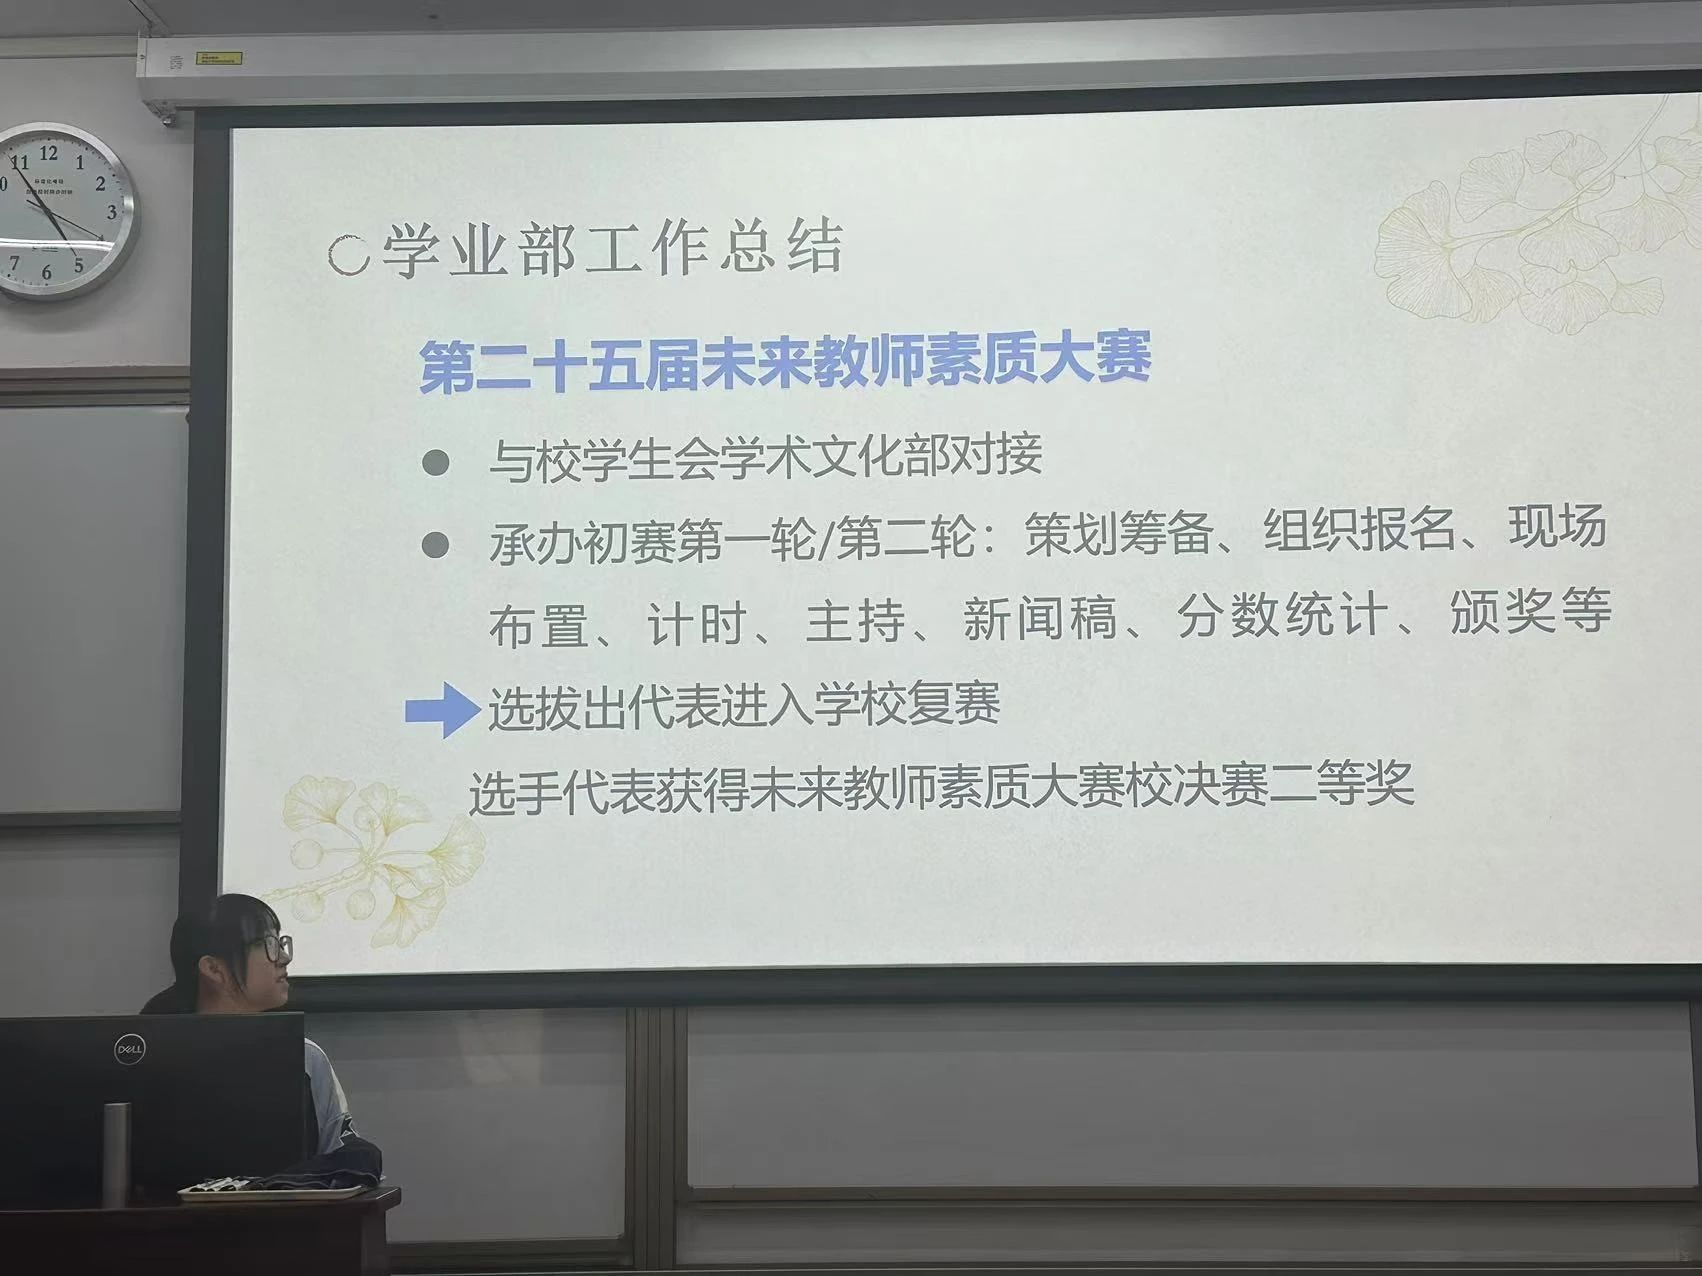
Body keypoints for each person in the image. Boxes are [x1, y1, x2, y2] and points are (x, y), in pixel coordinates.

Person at [140, 893, 380, 1183]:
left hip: (283, 1211)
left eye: (280, 943)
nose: (284, 958)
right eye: (268, 944)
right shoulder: (151, 1057)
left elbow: (346, 1153)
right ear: (214, 969)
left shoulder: (304, 1057)